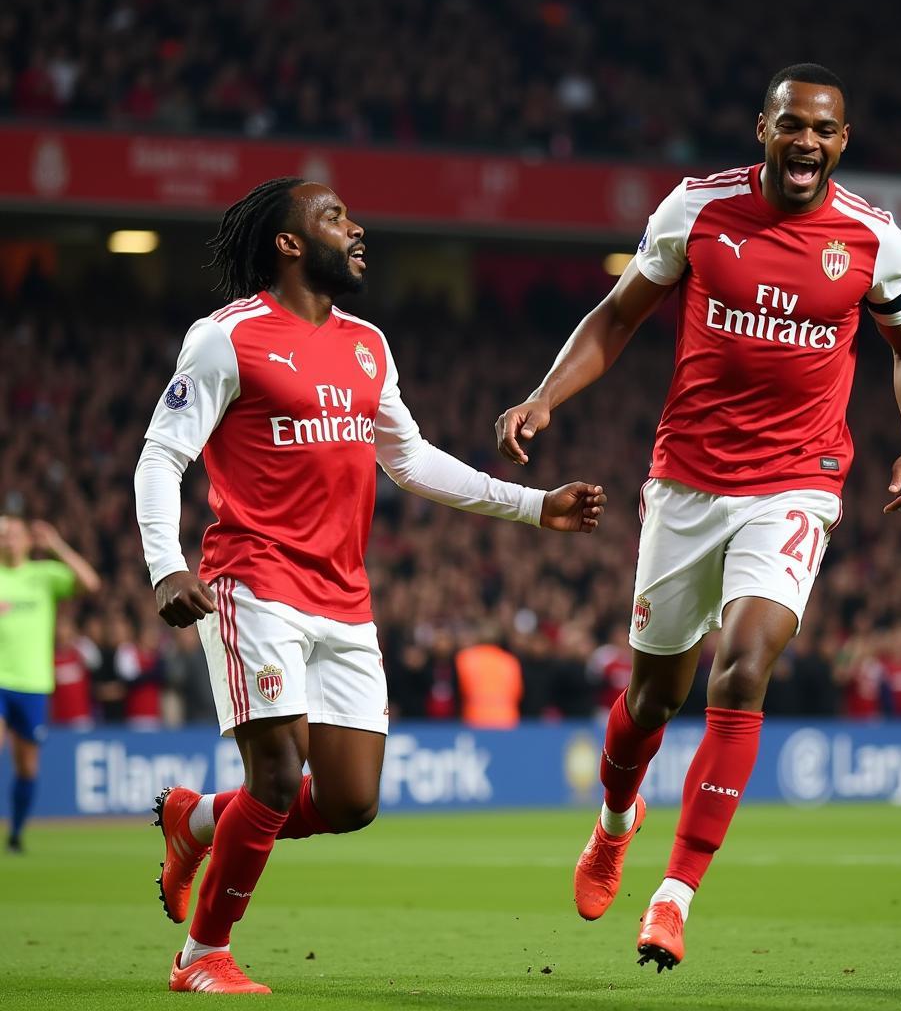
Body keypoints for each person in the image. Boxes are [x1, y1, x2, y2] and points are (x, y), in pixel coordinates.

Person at [495, 63, 901, 971]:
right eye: (792, 125)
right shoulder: (697, 210)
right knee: (654, 696)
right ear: (763, 130)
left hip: (799, 482)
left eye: (824, 128)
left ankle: (674, 897)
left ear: (842, 142)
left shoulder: (871, 238)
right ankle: (618, 824)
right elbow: (618, 317)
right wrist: (546, 398)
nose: (807, 141)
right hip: (689, 482)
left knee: (742, 671)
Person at [133, 176, 607, 994]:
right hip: (252, 579)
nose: (356, 229)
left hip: (344, 596)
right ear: (287, 243)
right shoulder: (225, 339)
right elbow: (160, 456)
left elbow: (410, 459)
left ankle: (196, 819)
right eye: (334, 218)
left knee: (351, 801)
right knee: (278, 777)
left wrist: (535, 507)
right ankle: (202, 954)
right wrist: (164, 563)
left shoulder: (368, 344)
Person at [0, 516, 100, 851]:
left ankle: (15, 834)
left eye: (14, 534)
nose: (8, 540)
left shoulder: (43, 576)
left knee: (26, 766)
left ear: (28, 540)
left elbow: (90, 583)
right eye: (2, 535)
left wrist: (56, 544)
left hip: (33, 684)